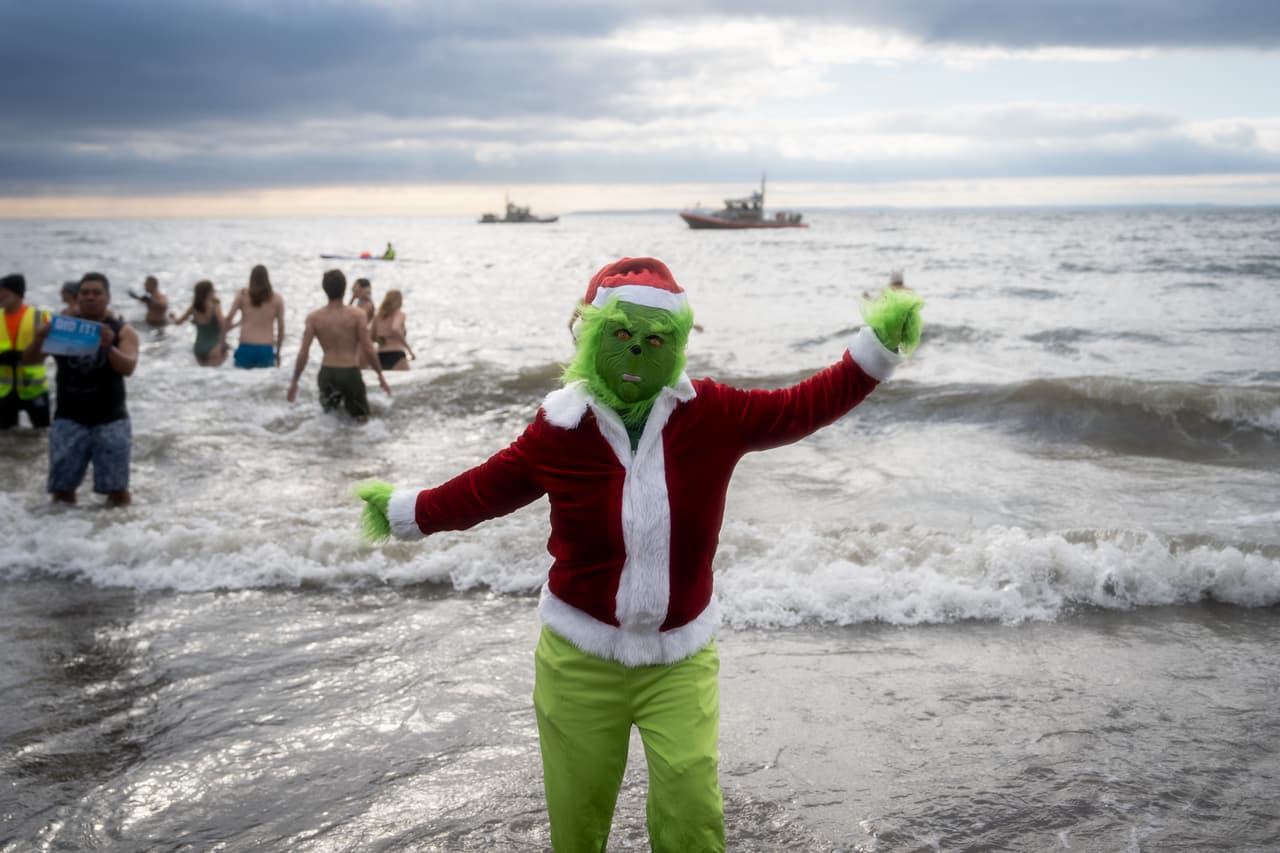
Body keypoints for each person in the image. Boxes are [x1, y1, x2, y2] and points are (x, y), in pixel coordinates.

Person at [356, 257, 924, 852]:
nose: (636, 352)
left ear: (674, 344)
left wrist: (871, 356)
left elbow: (799, 407)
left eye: (654, 341)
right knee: (578, 820)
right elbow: (483, 490)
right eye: (621, 335)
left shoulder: (710, 412)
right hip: (578, 658)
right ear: (590, 336)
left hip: (679, 658)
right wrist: (408, 511)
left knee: (692, 807)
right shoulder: (560, 429)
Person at [23, 272, 139, 507]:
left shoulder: (122, 330)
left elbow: (128, 367)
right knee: (62, 491)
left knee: (117, 491)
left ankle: (118, 528)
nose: (90, 297)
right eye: (85, 293)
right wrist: (38, 339)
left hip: (111, 419)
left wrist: (109, 348)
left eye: (97, 293)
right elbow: (30, 361)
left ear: (108, 297)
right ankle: (63, 528)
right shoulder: (62, 327)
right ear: (77, 298)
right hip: (68, 419)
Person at [287, 269, 390, 423]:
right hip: (349, 372)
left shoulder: (314, 318)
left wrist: (295, 381)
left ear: (325, 289)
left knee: (328, 420)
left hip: (327, 372)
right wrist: (380, 375)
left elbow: (303, 352)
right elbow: (368, 348)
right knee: (361, 420)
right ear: (344, 288)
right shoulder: (357, 315)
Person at [1, 273, 53, 429]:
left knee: (43, 431)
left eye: (3, 291)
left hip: (34, 388)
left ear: (17, 294)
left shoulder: (41, 316)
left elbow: (54, 346)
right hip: (3, 390)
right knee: (4, 437)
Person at [224, 264, 285, 368]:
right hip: (266, 348)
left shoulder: (242, 295)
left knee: (240, 377)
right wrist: (278, 353)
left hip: (246, 346)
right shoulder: (277, 299)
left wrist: (222, 341)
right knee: (264, 378)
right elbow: (281, 329)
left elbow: (228, 318)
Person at [170, 280, 228, 366]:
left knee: (201, 372)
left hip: (198, 347)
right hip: (214, 347)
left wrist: (174, 316)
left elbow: (178, 322)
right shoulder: (215, 306)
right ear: (209, 292)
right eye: (213, 290)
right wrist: (222, 344)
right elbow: (223, 325)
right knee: (215, 373)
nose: (215, 292)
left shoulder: (194, 308)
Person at [370, 289, 416, 371]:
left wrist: (380, 339)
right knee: (404, 379)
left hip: (380, 355)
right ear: (399, 301)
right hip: (396, 354)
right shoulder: (399, 314)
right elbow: (395, 328)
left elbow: (371, 337)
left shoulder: (378, 316)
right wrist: (409, 349)